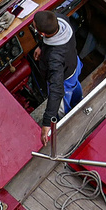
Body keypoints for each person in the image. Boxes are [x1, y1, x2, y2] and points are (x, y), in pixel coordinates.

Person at [30, 10, 81, 147]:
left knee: (62, 109)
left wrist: (47, 123)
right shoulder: (60, 19)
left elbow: (57, 90)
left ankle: (70, 130)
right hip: (74, 63)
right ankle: (78, 100)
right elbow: (49, 37)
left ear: (42, 33)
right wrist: (42, 46)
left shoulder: (54, 59)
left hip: (64, 79)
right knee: (76, 87)